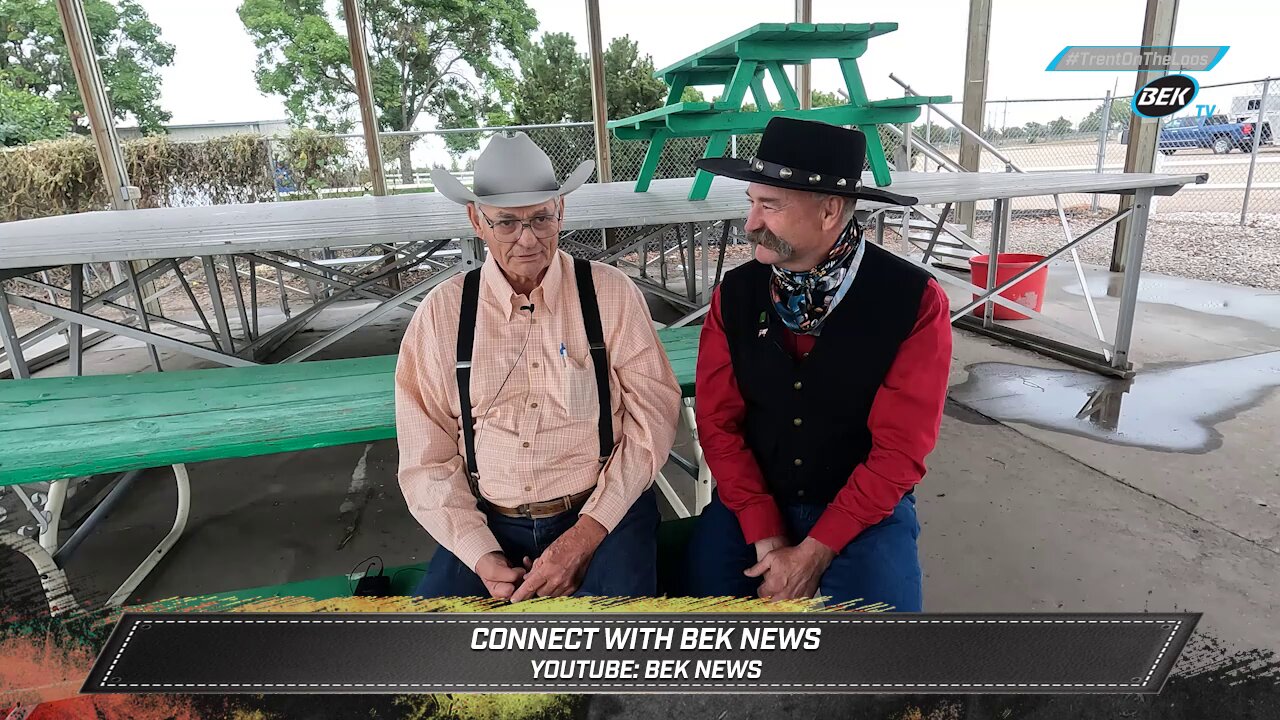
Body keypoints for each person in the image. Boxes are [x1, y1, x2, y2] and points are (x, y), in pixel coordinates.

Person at [395, 132, 681, 601]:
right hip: (490, 517)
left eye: (541, 218)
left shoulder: (609, 293)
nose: (527, 239)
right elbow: (426, 457)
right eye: (506, 223)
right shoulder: (443, 312)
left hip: (600, 510)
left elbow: (654, 418)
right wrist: (482, 555)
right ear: (476, 220)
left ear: (560, 211)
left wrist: (585, 536)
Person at [684, 118, 953, 611]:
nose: (750, 223)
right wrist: (765, 535)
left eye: (770, 206)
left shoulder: (911, 302)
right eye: (751, 203)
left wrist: (814, 551)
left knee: (875, 661)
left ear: (830, 210)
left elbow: (899, 452)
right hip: (753, 500)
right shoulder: (737, 296)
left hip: (864, 512)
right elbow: (718, 425)